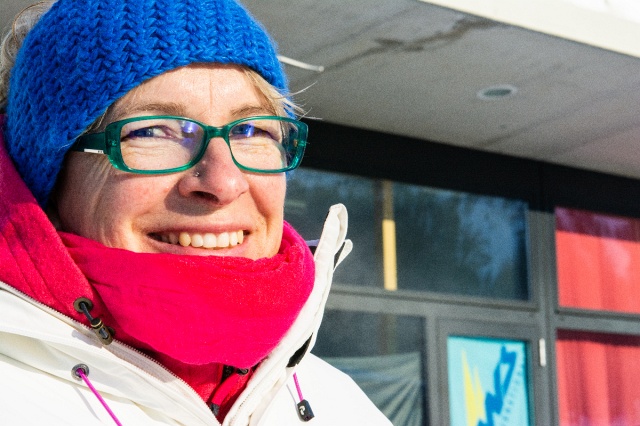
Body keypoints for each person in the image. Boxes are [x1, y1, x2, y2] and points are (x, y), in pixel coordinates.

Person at [0, 0, 392, 424]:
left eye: (251, 130)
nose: (223, 182)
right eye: (153, 131)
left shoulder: (339, 402)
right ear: (51, 178)